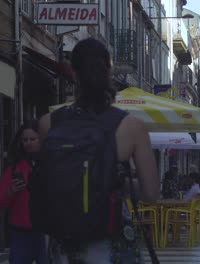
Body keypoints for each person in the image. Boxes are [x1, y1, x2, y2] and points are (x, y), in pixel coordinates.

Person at [37, 38, 158, 263]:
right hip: (111, 243)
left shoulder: (48, 123)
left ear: (73, 72)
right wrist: (123, 183)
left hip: (64, 244)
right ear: (109, 72)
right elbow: (151, 195)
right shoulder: (131, 127)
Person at [0, 120, 48, 264]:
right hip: (20, 232)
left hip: (45, 232)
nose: (28, 143)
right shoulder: (14, 168)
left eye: (32, 139)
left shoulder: (50, 165)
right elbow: (1, 201)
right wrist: (11, 191)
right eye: (24, 140)